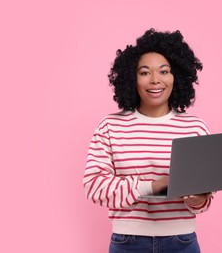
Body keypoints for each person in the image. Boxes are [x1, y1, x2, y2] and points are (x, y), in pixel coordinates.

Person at [83, 28, 213, 253]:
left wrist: (197, 198)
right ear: (131, 78)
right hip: (128, 242)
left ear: (177, 76)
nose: (155, 80)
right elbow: (95, 186)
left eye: (164, 71)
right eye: (144, 72)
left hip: (182, 241)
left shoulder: (195, 127)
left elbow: (203, 200)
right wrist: (153, 186)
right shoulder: (110, 126)